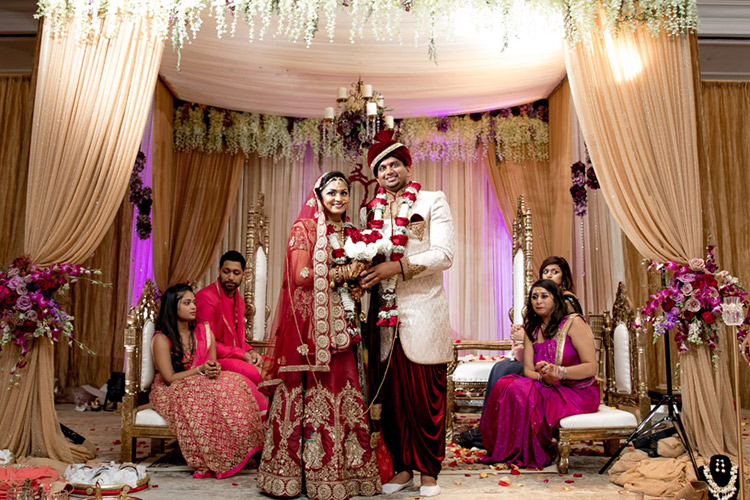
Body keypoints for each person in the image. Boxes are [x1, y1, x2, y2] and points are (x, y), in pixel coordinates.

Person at [256, 172, 380, 500]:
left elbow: (358, 273)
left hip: (346, 328)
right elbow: (300, 275)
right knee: (310, 396)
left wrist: (356, 281)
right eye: (332, 192)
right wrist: (341, 273)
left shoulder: (353, 232)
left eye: (343, 192)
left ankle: (344, 473)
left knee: (345, 391)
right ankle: (295, 474)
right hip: (312, 333)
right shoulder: (305, 229)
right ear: (319, 195)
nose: (338, 198)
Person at [359, 130, 456, 497]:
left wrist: (397, 268)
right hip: (383, 315)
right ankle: (401, 468)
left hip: (422, 312)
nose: (388, 171)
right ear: (376, 174)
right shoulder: (373, 210)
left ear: (407, 166)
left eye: (394, 163)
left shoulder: (432, 201)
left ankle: (429, 471)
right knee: (393, 397)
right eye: (382, 167)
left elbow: (444, 255)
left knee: (425, 396)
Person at [457, 256, 582, 448]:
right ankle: (489, 429)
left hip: (558, 362)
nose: (549, 274)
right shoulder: (546, 300)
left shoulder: (567, 301)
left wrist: (527, 337)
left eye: (554, 271)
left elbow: (559, 338)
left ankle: (491, 432)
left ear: (564, 277)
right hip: (542, 356)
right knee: (501, 367)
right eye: (546, 271)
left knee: (506, 372)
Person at [478, 279, 600, 468]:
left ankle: (528, 450)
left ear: (556, 300)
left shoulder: (573, 323)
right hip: (548, 385)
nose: (538, 301)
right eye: (534, 297)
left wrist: (560, 373)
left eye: (544, 296)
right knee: (506, 385)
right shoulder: (531, 329)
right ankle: (509, 448)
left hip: (577, 392)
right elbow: (528, 371)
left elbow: (591, 367)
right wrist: (546, 376)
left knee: (523, 392)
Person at [150, 284, 265, 479]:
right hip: (173, 387)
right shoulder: (162, 339)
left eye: (194, 302)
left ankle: (249, 444)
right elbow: (169, 378)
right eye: (187, 303)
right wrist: (200, 371)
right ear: (172, 307)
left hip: (202, 379)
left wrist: (213, 369)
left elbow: (212, 363)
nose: (194, 307)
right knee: (209, 391)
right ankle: (220, 455)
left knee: (235, 382)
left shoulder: (203, 331)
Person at [195, 251, 265, 405]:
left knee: (276, 366)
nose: (231, 277)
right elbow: (207, 343)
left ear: (244, 275)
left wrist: (251, 351)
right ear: (219, 271)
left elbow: (237, 339)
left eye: (236, 273)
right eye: (226, 272)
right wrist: (242, 354)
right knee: (262, 375)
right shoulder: (206, 298)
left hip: (236, 356)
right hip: (216, 360)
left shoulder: (238, 300)